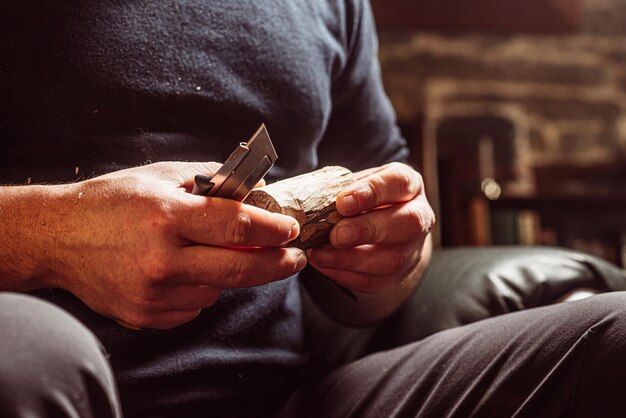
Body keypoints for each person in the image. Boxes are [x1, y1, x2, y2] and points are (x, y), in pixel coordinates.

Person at [0, 1, 624, 417]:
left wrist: (395, 255)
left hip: (298, 400)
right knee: (32, 351)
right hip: (66, 382)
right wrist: (52, 234)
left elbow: (390, 211)